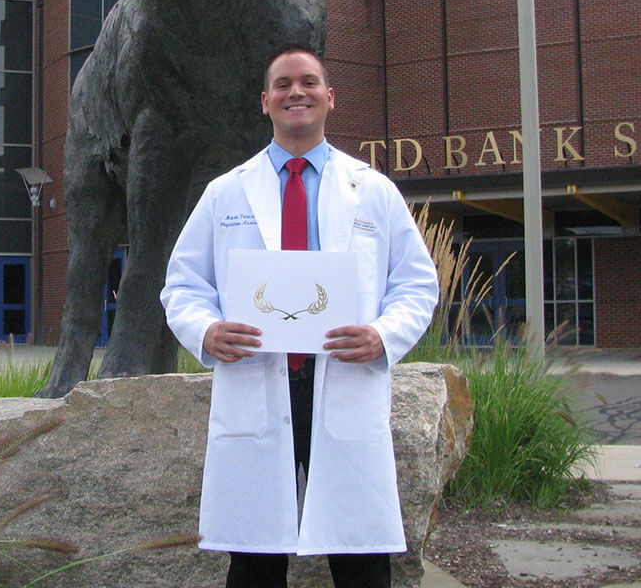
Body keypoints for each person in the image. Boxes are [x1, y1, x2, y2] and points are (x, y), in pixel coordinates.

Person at [161, 44, 439, 588]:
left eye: (309, 82)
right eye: (283, 84)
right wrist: (206, 330)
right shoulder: (226, 193)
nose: (296, 92)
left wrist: (384, 335)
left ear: (329, 97)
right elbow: (183, 285)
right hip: (260, 382)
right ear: (265, 102)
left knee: (359, 555)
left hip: (342, 381)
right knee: (255, 557)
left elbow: (415, 284)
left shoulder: (373, 191)